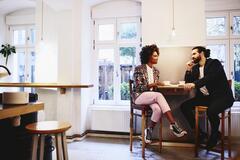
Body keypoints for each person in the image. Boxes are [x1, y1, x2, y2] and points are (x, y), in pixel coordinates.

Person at [180, 46, 234, 150]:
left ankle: (214, 135)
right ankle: (200, 133)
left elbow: (209, 78)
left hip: (222, 97)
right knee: (184, 106)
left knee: (211, 111)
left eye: (194, 53)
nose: (192, 56)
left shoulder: (214, 63)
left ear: (202, 53)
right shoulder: (195, 68)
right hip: (207, 98)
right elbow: (188, 83)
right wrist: (188, 70)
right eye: (192, 54)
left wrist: (195, 84)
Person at [133, 44, 187, 143]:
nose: (157, 57)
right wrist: (154, 84)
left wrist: (159, 85)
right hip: (139, 96)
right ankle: (174, 125)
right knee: (159, 95)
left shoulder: (156, 71)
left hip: (151, 96)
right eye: (154, 55)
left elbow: (154, 88)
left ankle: (148, 131)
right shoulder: (139, 69)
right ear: (148, 56)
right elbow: (138, 87)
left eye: (157, 55)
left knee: (157, 109)